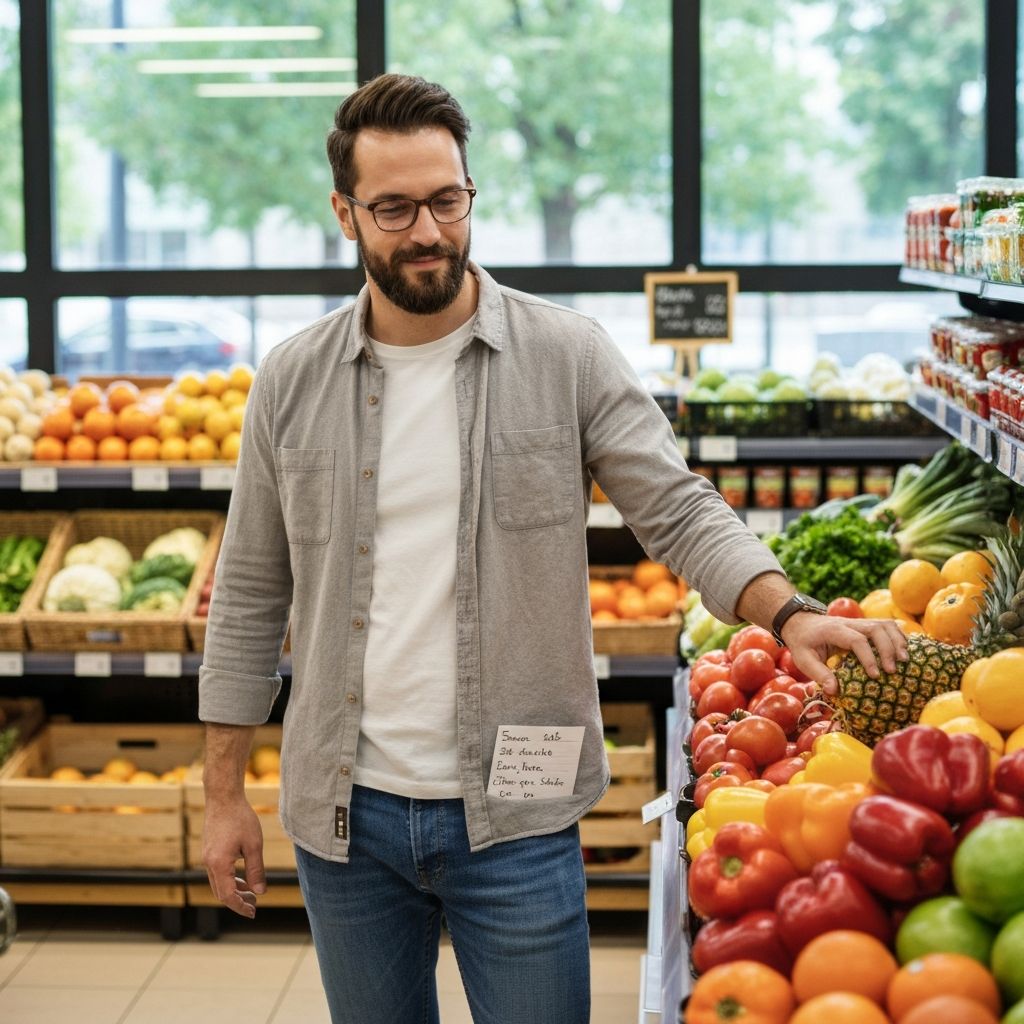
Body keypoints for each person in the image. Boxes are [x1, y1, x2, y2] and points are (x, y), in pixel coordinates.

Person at [199, 73, 906, 1024]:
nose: (427, 233)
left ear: (470, 194)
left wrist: (789, 610)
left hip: (517, 812)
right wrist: (222, 793)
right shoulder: (291, 379)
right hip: (345, 815)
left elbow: (678, 507)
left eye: (447, 201)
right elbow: (248, 591)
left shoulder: (563, 355)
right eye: (395, 208)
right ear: (345, 212)